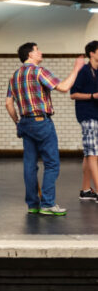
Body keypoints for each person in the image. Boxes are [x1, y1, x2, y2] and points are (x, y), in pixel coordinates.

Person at [5, 42, 83, 216]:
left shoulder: (15, 76)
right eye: (37, 50)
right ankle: (47, 203)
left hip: (25, 122)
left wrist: (17, 121)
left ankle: (33, 205)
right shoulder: (39, 71)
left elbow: (8, 103)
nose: (40, 52)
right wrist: (76, 69)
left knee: (30, 165)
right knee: (52, 163)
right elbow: (63, 87)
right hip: (41, 122)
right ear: (30, 55)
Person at [69, 40, 98, 201]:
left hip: (96, 115)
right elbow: (73, 94)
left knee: (90, 154)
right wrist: (93, 96)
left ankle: (86, 190)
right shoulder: (84, 71)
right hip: (87, 115)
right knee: (93, 153)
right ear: (92, 53)